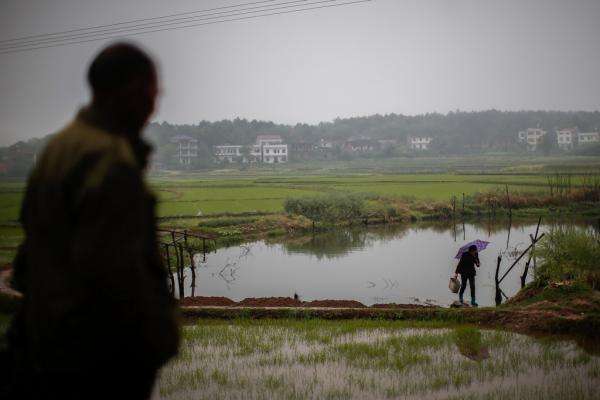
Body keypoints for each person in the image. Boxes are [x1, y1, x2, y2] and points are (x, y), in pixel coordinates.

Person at [2, 43, 179, 399]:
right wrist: (156, 339)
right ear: (131, 92)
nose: (153, 104)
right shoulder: (107, 160)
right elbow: (114, 272)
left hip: (47, 340)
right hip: (95, 358)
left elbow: (35, 249)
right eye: (152, 92)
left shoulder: (62, 146)